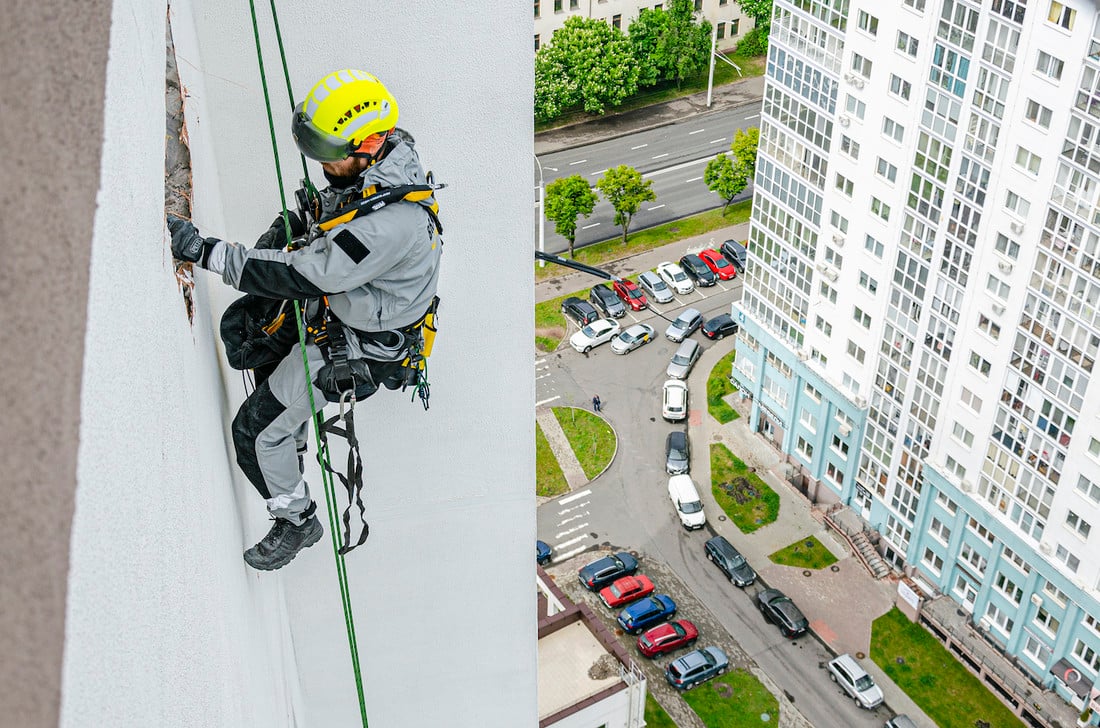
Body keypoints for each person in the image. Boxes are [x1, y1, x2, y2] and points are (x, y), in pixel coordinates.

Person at [167, 69, 442, 571]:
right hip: (343, 315)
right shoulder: (383, 165)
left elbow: (306, 275)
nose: (322, 165)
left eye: (328, 155)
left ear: (371, 142)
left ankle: (297, 520)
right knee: (245, 338)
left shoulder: (388, 225)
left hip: (358, 346)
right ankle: (288, 446)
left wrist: (203, 251)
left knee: (256, 432)